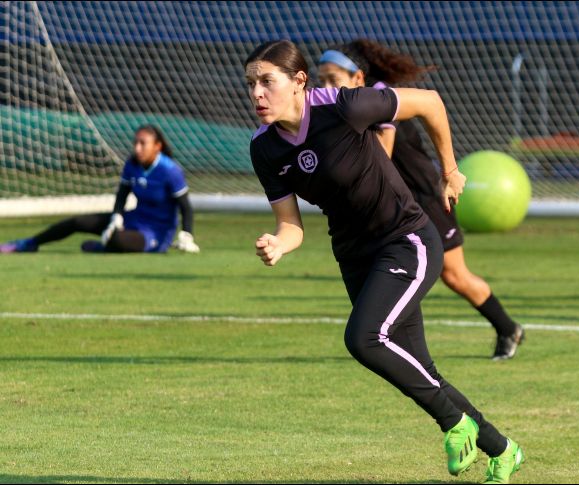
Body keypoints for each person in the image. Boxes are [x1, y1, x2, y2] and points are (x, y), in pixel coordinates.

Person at [246, 40, 523, 483]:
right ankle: (502, 449)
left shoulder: (344, 106)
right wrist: (279, 244)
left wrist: (449, 170)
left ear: (298, 82)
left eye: (266, 81)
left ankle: (455, 423)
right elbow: (291, 225)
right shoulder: (264, 149)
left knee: (364, 338)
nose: (256, 93)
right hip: (355, 257)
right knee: (419, 368)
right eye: (251, 84)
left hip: (406, 240)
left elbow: (431, 103)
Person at [317, 39, 525, 361]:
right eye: (322, 80)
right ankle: (395, 344)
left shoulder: (377, 101)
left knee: (455, 275)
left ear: (358, 78)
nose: (326, 87)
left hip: (426, 199)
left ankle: (507, 327)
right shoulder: (344, 107)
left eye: (334, 79)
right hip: (396, 207)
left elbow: (380, 159)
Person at [0, 125, 200, 254]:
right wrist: (117, 217)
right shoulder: (132, 165)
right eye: (135, 143)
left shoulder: (170, 170)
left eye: (143, 143)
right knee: (78, 221)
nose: (137, 148)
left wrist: (186, 234)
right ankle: (29, 243)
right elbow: (122, 194)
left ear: (157, 146)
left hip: (156, 232)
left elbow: (185, 206)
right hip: (134, 219)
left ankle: (104, 247)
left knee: (119, 240)